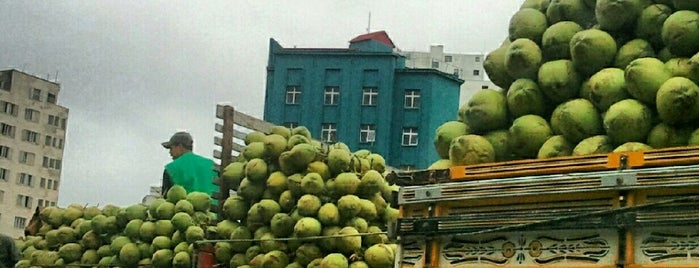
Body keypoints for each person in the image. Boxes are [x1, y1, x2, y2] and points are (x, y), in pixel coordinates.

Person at [161, 131, 218, 198]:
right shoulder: (211, 164)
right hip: (214, 207)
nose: (170, 152)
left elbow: (165, 201)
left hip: (185, 207)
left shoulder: (171, 168)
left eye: (171, 148)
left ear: (180, 146)